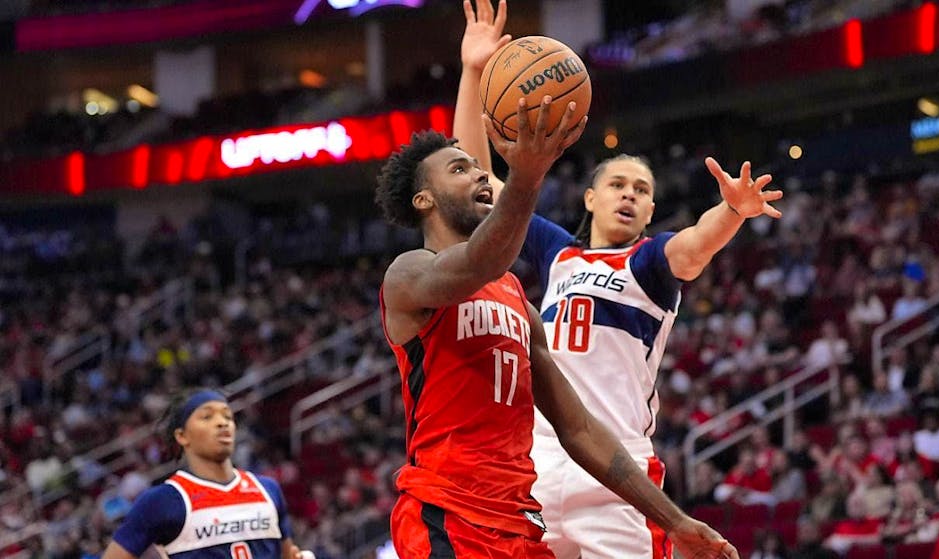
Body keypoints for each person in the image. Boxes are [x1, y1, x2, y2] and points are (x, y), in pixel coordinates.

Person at [453, 2, 783, 557]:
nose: (629, 193)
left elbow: (696, 245)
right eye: (617, 184)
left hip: (615, 469)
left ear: (651, 211)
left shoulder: (650, 263)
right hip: (536, 462)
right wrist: (473, 72)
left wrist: (731, 212)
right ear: (590, 198)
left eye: (641, 189)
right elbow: (480, 188)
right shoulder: (556, 252)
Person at [375, 108, 737, 557]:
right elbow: (478, 262)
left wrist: (675, 521)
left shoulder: (519, 303)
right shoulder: (408, 274)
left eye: (477, 167)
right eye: (459, 169)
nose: (480, 175)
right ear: (424, 199)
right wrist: (526, 176)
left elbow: (579, 428)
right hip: (445, 512)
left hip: (518, 521)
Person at [101, 389, 303, 559]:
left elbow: (287, 554)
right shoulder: (163, 500)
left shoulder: (268, 489)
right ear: (182, 436)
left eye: (227, 416)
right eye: (207, 417)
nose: (222, 423)